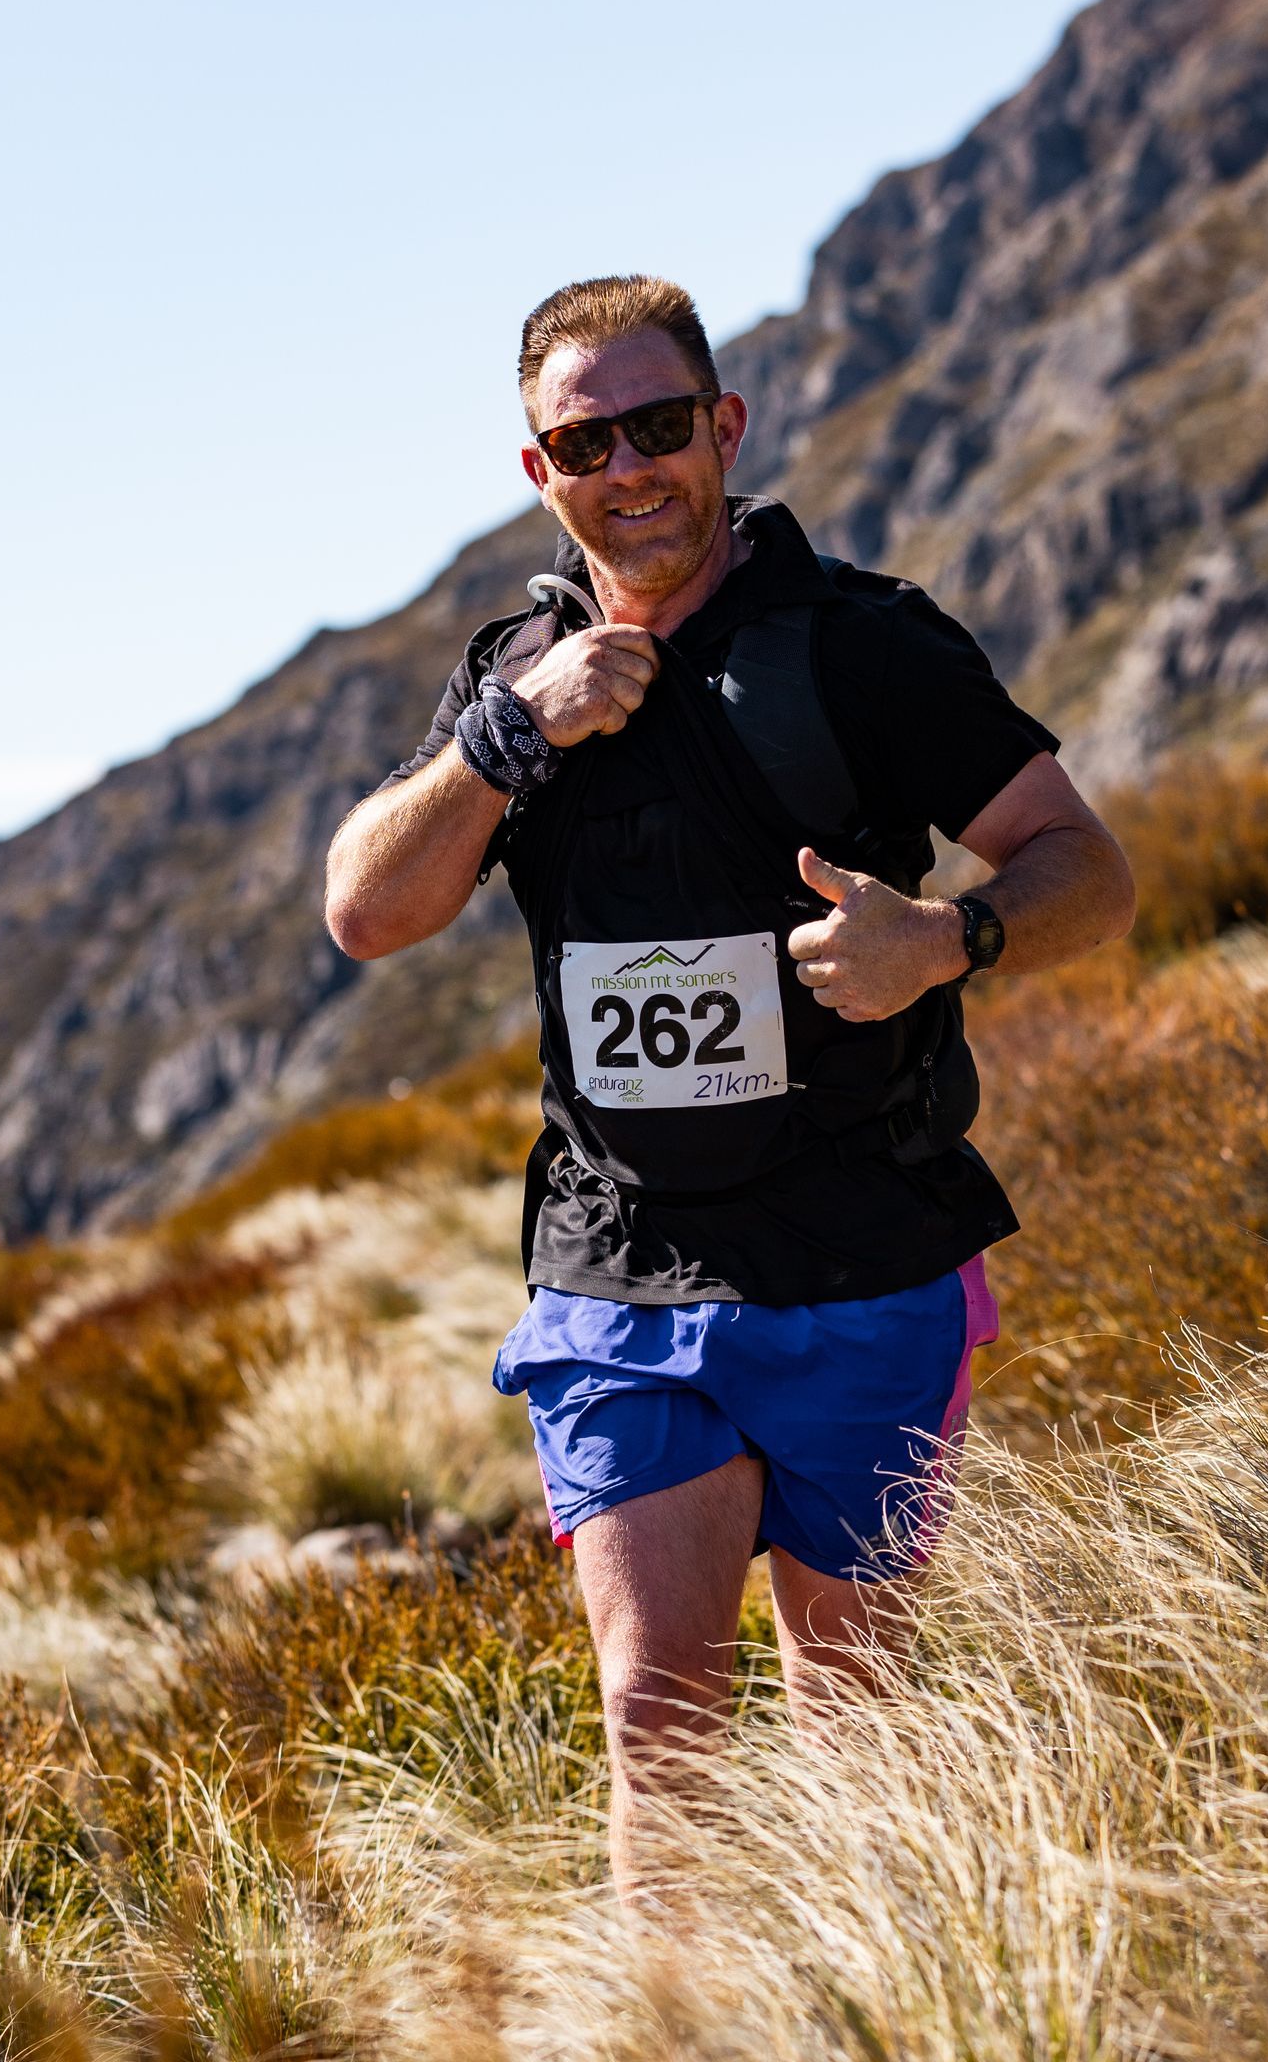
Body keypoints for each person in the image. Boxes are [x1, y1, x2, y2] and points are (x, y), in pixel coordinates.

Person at [324, 274, 1135, 1886]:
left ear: (726, 430)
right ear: (539, 470)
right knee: (658, 1720)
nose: (631, 467)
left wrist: (952, 937)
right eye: (587, 438)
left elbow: (1087, 869)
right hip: (621, 1273)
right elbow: (366, 910)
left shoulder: (864, 648)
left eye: (661, 425)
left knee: (859, 1722)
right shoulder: (519, 677)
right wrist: (504, 741)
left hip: (864, 1254)